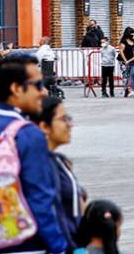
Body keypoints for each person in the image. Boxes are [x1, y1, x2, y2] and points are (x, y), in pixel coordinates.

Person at [0, 54, 69, 253]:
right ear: (16, 89)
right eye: (37, 85)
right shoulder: (29, 134)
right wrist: (60, 247)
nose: (43, 92)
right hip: (27, 243)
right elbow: (40, 199)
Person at [35, 97, 86, 248]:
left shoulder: (58, 161)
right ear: (44, 126)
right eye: (64, 119)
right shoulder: (41, 165)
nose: (70, 125)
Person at [118, 27, 134, 97]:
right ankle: (126, 90)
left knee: (133, 76)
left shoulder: (133, 41)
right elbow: (121, 51)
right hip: (123, 61)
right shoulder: (123, 41)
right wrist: (125, 61)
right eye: (131, 33)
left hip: (132, 61)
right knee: (125, 75)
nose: (132, 35)